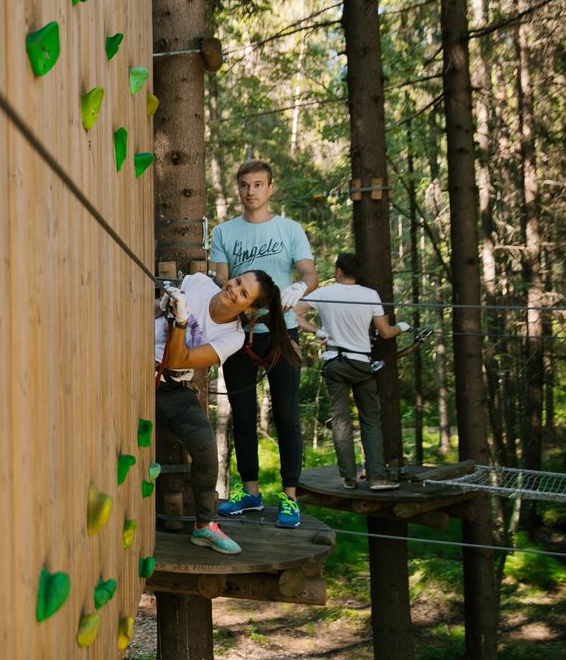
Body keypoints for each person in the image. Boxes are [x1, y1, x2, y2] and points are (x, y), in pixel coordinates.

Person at [155, 269, 293, 554]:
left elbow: (179, 360)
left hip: (170, 384)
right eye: (238, 281)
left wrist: (180, 322)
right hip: (132, 363)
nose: (234, 289)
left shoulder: (233, 338)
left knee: (205, 444)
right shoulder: (197, 283)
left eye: (244, 294)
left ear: (249, 309)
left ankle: (204, 525)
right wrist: (161, 305)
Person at [211, 159, 317, 528]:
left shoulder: (290, 229)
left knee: (287, 415)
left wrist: (300, 287)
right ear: (238, 189)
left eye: (258, 184)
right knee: (242, 415)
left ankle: (289, 498)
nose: (251, 190)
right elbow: (220, 280)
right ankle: (250, 493)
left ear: (271, 189)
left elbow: (309, 271)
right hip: (238, 334)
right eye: (244, 184)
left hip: (281, 332)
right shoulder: (224, 232)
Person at [293, 252, 410, 491]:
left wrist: (317, 331)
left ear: (338, 271)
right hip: (361, 364)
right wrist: (403, 326)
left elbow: (293, 313)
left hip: (334, 362)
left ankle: (348, 477)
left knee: (341, 421)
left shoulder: (325, 293)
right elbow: (386, 332)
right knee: (370, 420)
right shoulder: (370, 295)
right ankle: (377, 477)